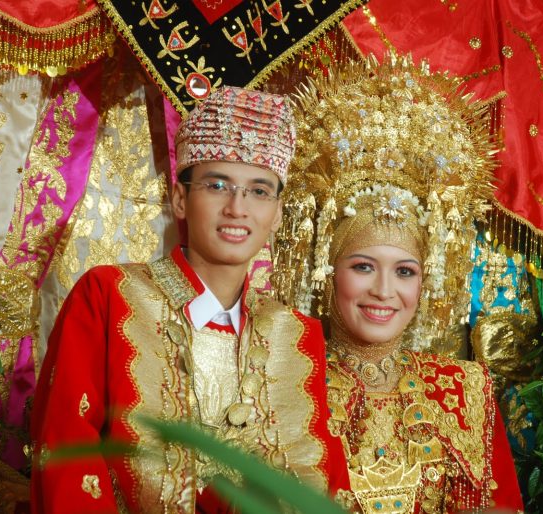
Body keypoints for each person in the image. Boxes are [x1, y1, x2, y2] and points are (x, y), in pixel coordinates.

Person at [30, 86, 347, 513]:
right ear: (180, 199)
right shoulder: (109, 296)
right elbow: (68, 452)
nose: (237, 208)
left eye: (259, 191)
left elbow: (324, 486)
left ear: (276, 214)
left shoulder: (295, 335)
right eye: (217, 185)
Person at [272, 55, 525, 513]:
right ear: (328, 270)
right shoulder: (284, 386)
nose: (384, 291)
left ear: (425, 281)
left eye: (405, 271)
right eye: (363, 267)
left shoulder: (463, 390)